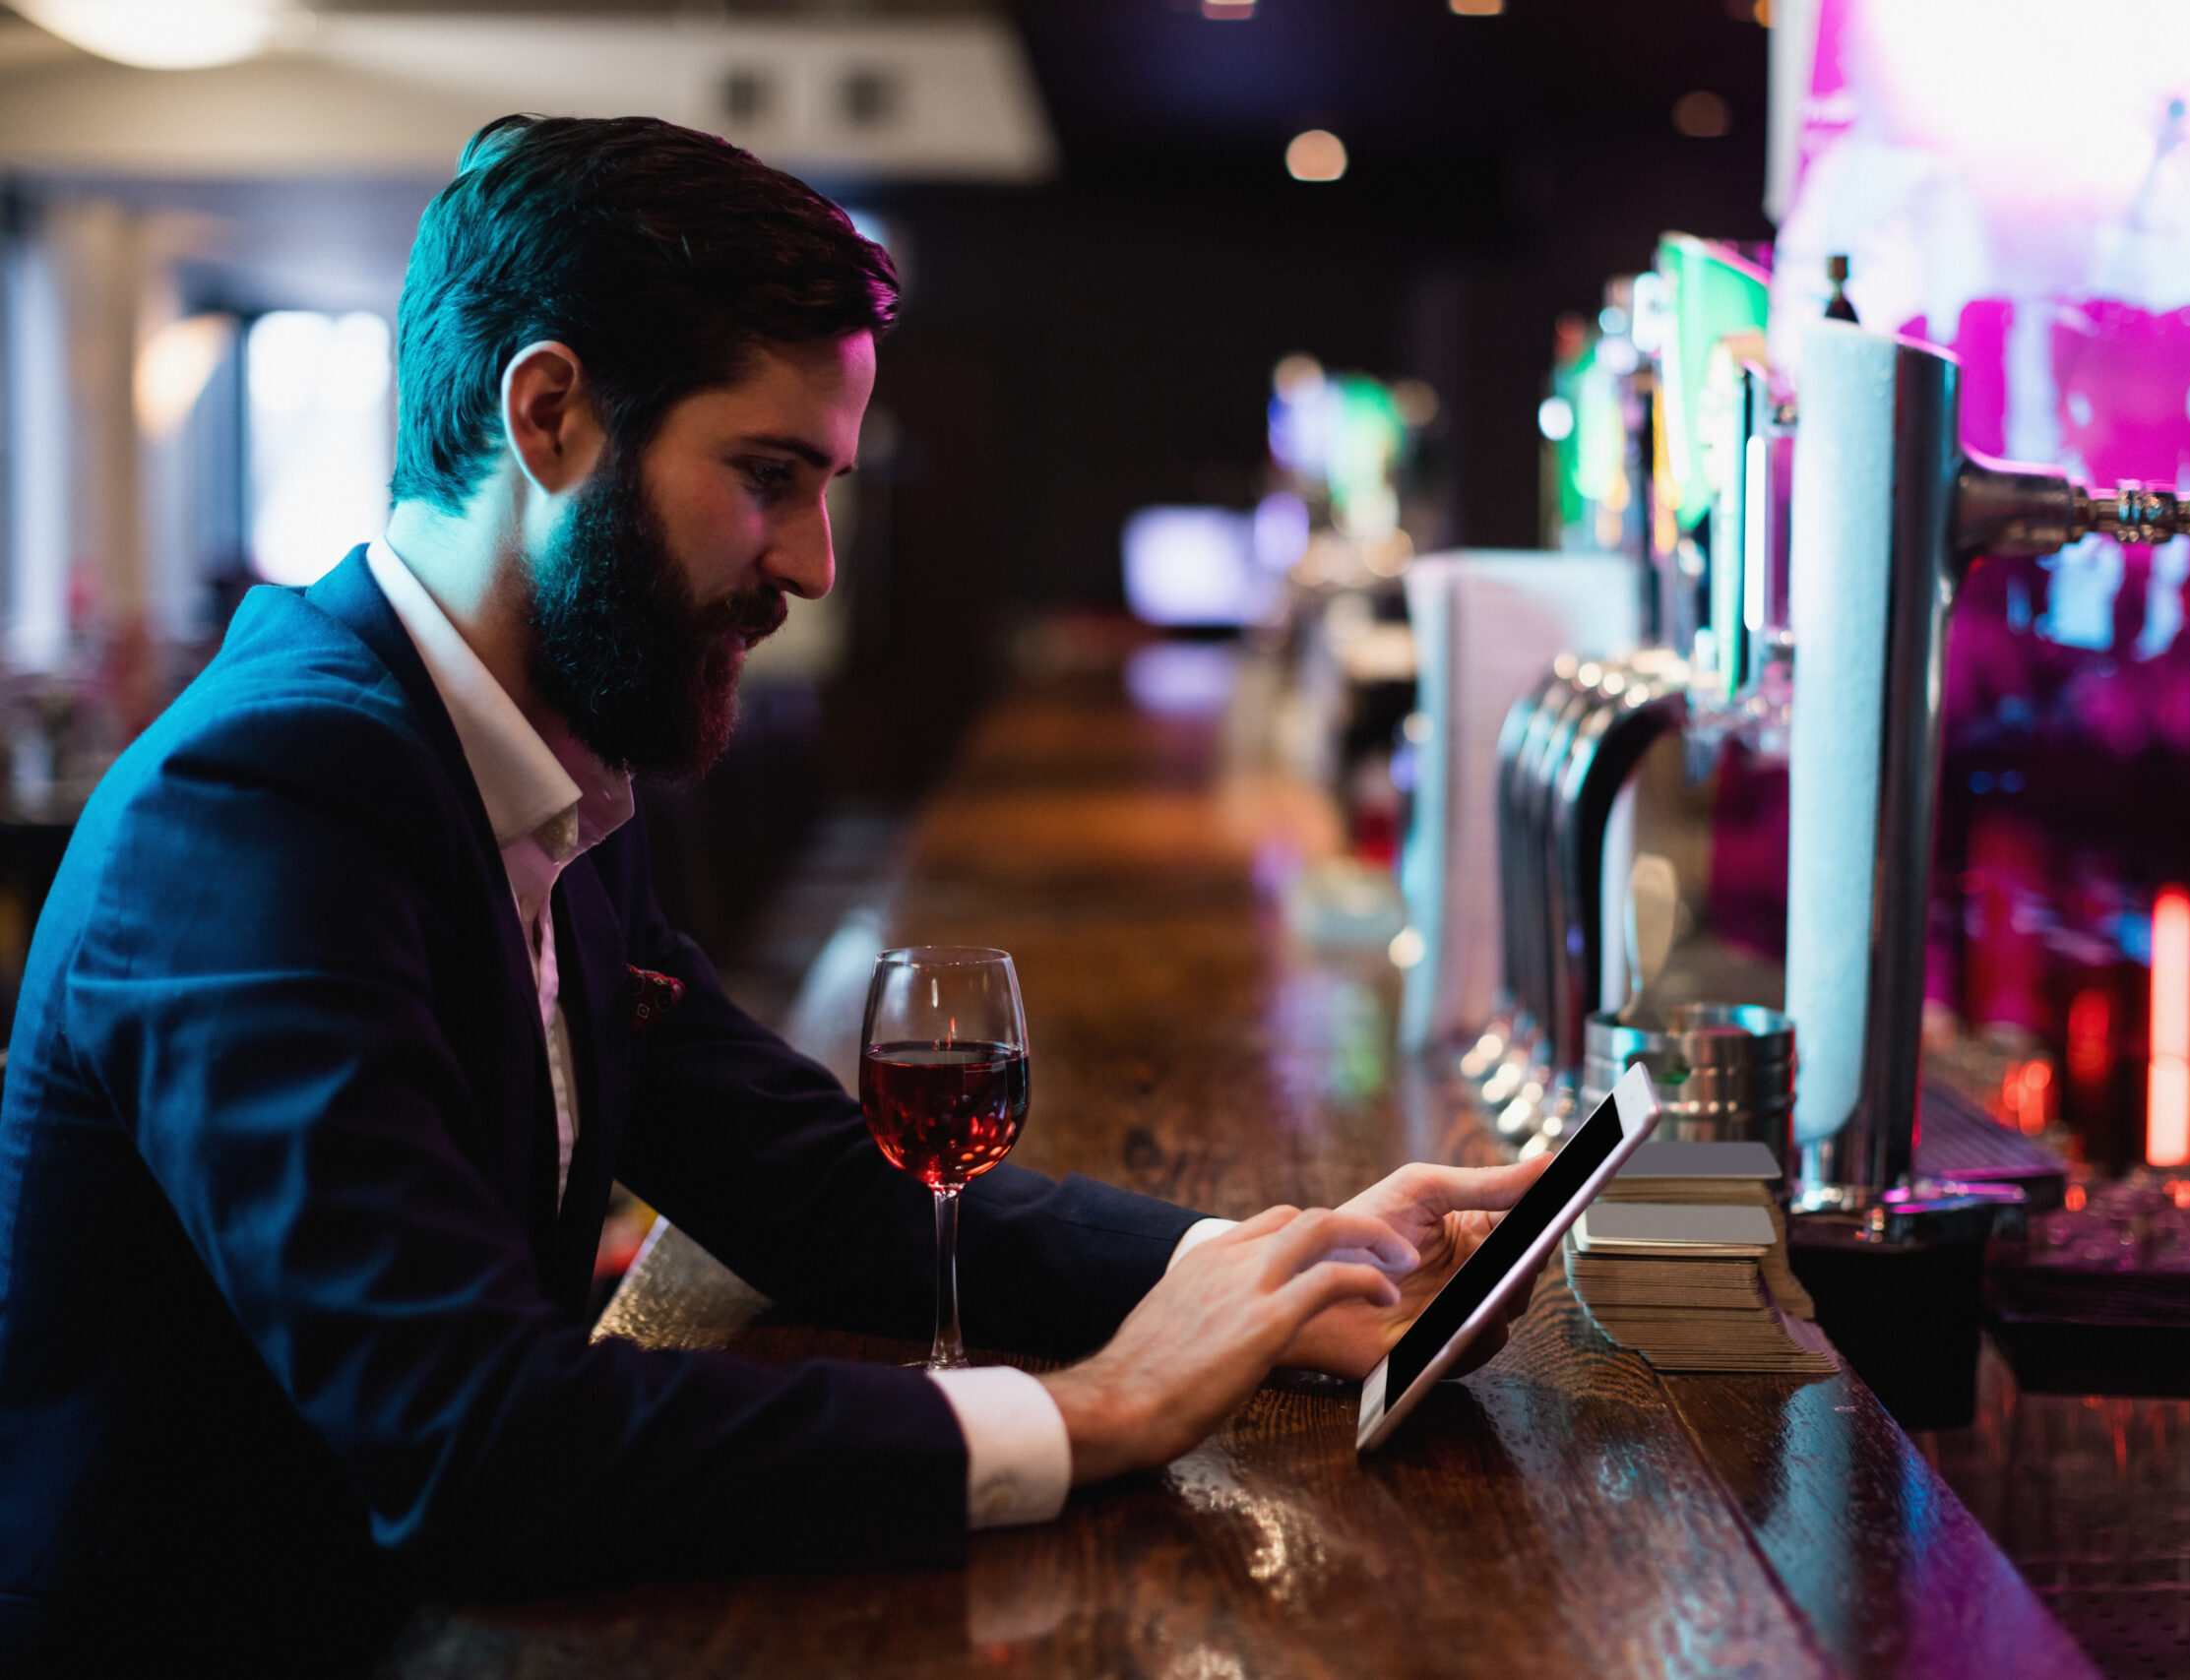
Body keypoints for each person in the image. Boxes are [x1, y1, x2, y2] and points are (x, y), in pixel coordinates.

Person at [0, 114, 1545, 1675]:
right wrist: (1097, 1412)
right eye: (766, 475)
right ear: (549, 417)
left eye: (827, 486)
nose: (811, 561)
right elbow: (471, 1444)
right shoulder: (265, 806)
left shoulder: (541, 753)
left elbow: (801, 1180)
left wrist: (1247, 1272)